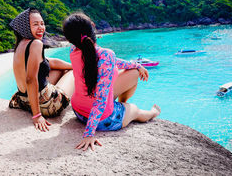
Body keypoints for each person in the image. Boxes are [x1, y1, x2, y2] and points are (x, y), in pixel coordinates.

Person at [63, 13, 161, 151]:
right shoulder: (105, 54)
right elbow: (101, 99)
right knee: (136, 111)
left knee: (133, 70)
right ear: (92, 26)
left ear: (69, 39)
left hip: (79, 111)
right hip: (104, 120)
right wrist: (89, 134)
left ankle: (121, 105)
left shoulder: (73, 50)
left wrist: (135, 64)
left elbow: (109, 61)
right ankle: (153, 113)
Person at [9, 8, 74, 132]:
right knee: (71, 74)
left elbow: (49, 62)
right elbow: (30, 80)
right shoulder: (36, 44)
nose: (41, 28)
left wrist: (73, 65)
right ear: (25, 27)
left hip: (23, 101)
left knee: (60, 70)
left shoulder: (20, 45)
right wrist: (37, 116)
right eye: (35, 24)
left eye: (42, 23)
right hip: (46, 106)